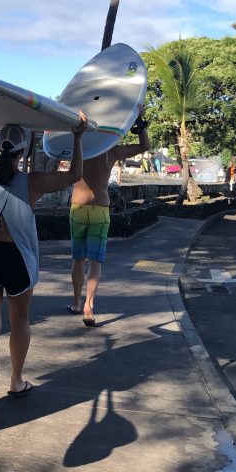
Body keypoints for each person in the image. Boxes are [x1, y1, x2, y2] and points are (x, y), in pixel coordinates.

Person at [0, 115, 88, 414]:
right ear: (23, 152)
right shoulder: (32, 182)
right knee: (20, 321)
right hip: (17, 259)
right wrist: (77, 135)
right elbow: (75, 174)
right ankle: (16, 381)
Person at [69, 109, 150, 327]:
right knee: (95, 261)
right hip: (100, 209)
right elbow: (144, 146)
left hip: (78, 207)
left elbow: (53, 147)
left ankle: (76, 303)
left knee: (78, 259)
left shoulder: (79, 146)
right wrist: (140, 121)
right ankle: (89, 307)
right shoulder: (111, 151)